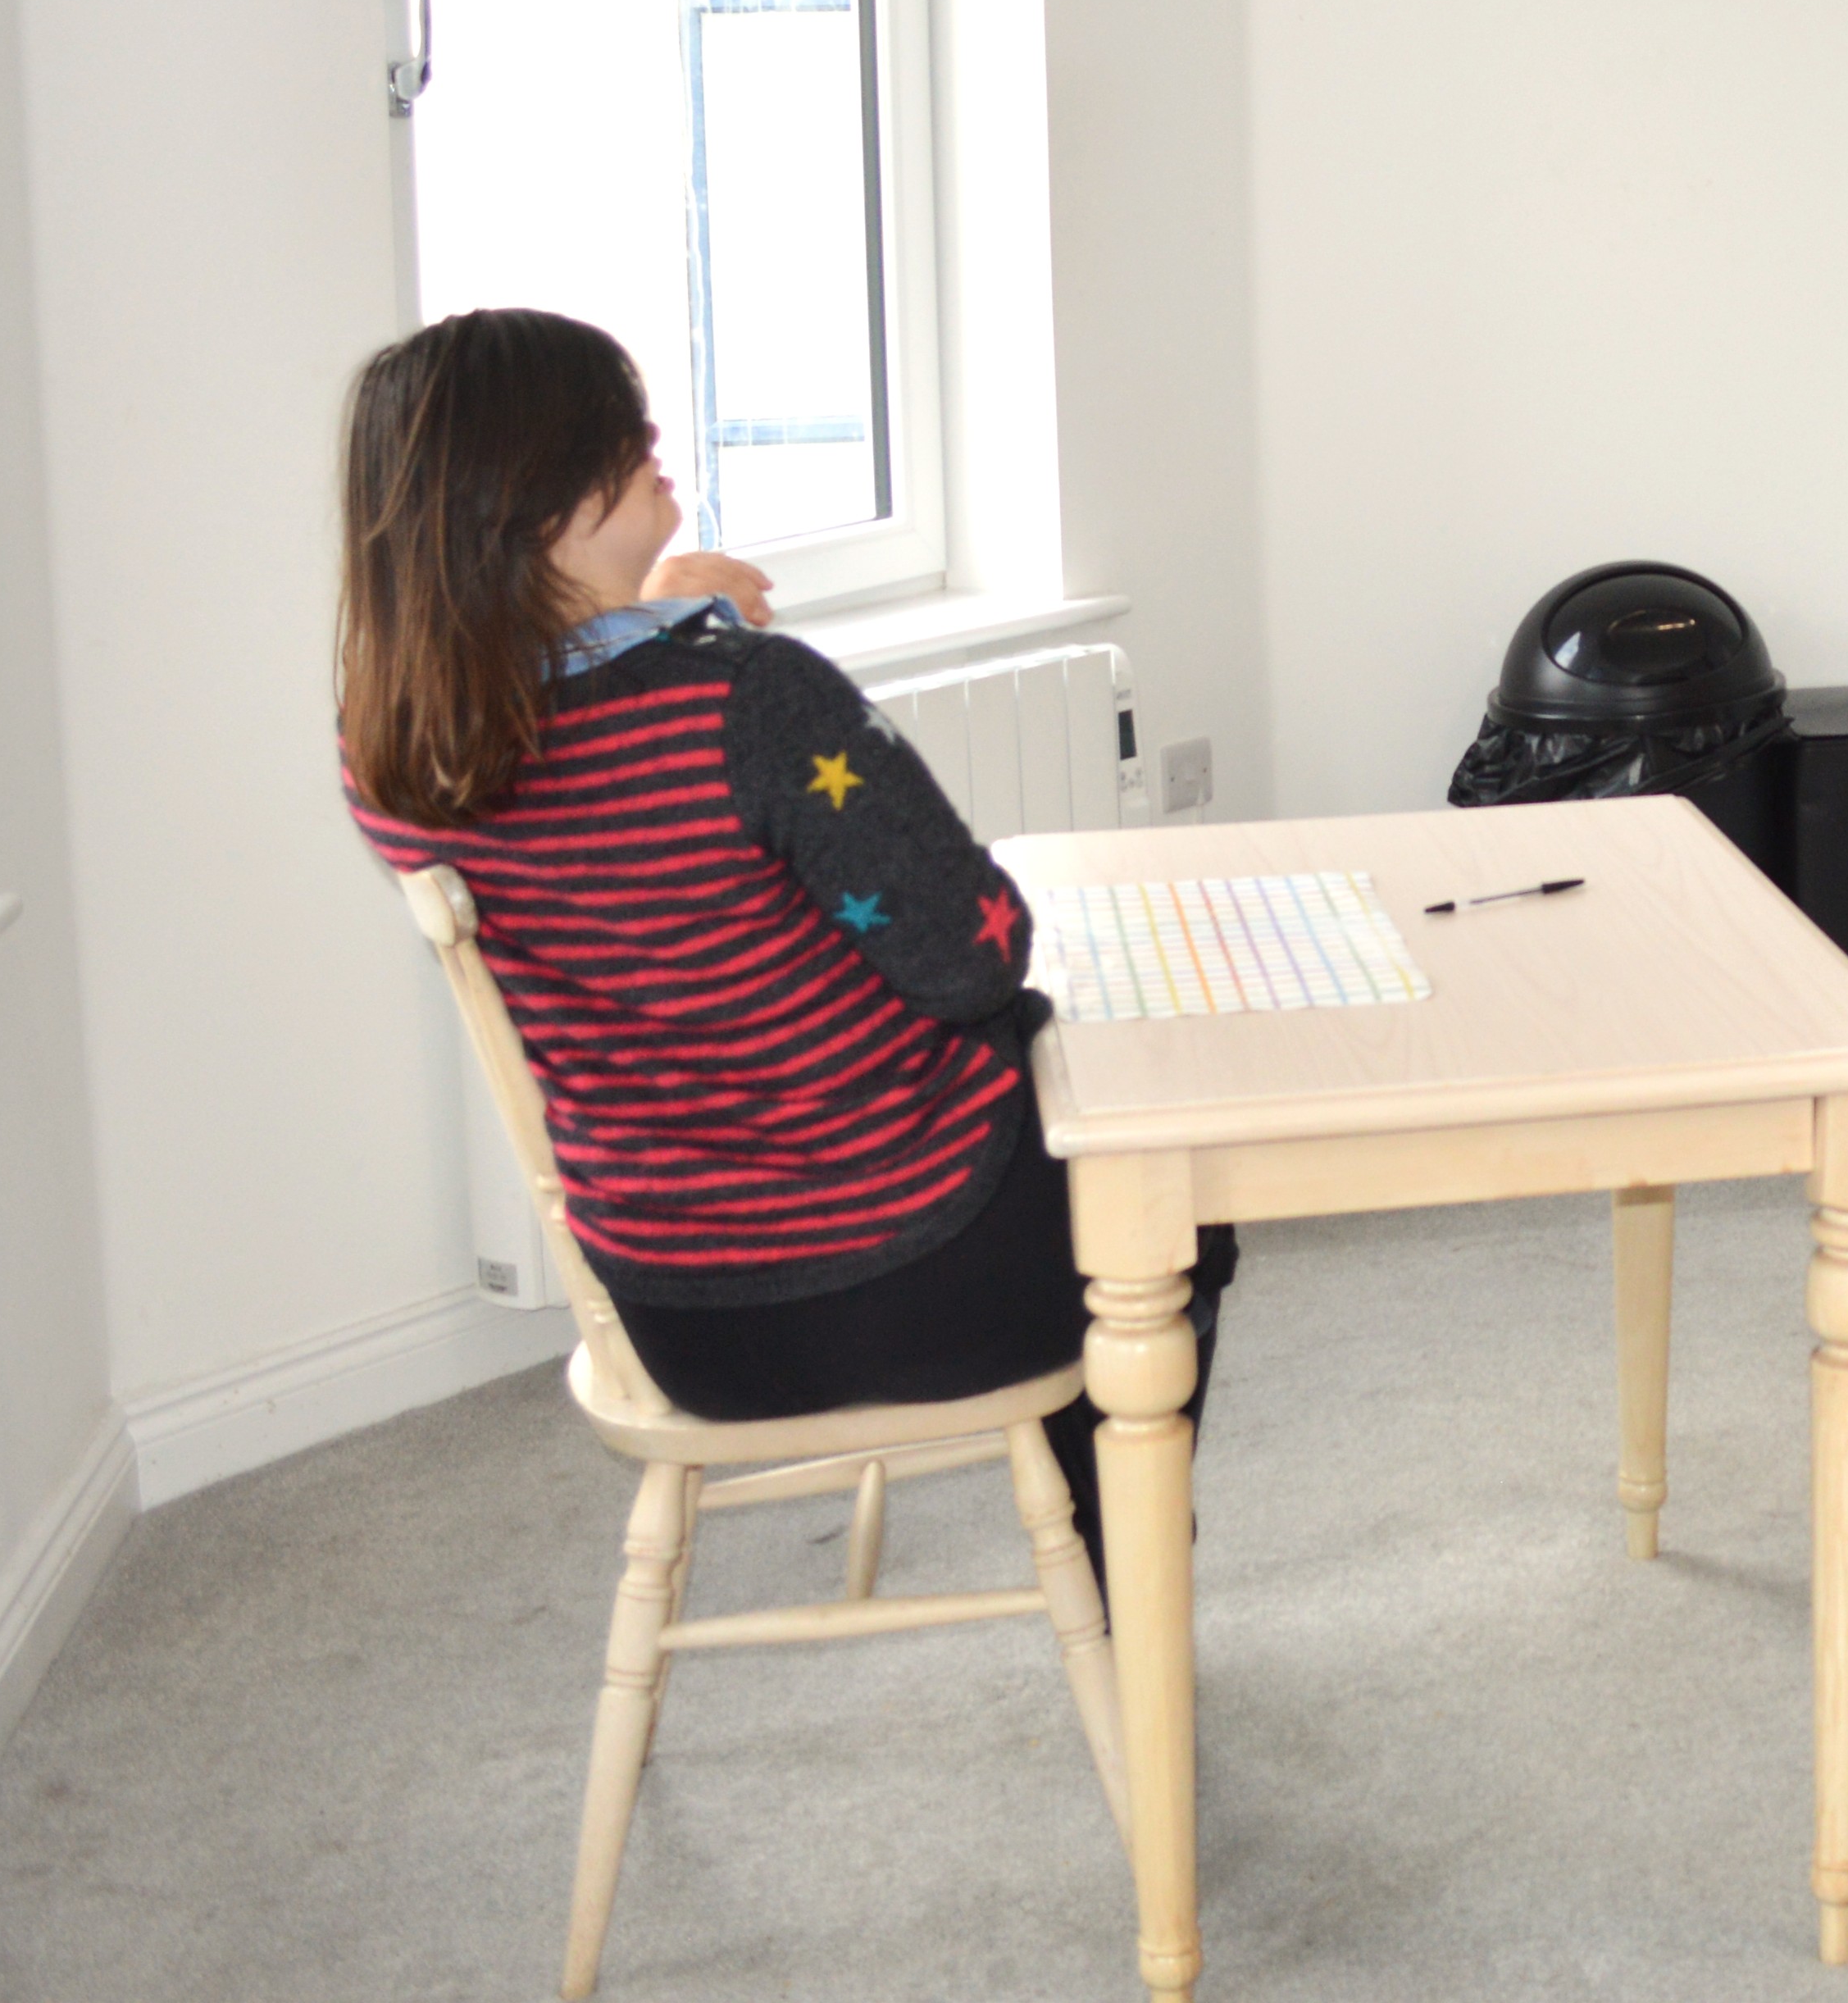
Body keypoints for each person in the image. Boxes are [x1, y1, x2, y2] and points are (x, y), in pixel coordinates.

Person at [335, 307, 1224, 1562]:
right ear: (538, 504)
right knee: (1172, 1190)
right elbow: (975, 954)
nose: (656, 449)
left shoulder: (392, 753)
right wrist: (710, 647)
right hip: (915, 1269)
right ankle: (1129, 1559)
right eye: (620, 435)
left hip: (682, 1318)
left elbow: (605, 803)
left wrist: (643, 618)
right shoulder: (752, 701)